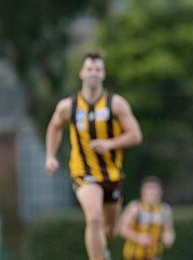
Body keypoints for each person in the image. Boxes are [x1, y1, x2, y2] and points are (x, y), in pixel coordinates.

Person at [45, 52, 143, 260]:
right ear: (81, 73)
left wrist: (110, 143)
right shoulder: (68, 106)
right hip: (83, 172)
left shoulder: (116, 104)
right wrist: (50, 156)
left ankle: (103, 251)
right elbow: (55, 127)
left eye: (98, 69)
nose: (93, 73)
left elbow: (135, 135)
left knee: (109, 229)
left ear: (104, 74)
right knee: (94, 218)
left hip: (112, 174)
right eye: (89, 69)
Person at [119, 176, 175, 260]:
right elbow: (121, 229)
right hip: (134, 256)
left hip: (154, 255)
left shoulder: (165, 210)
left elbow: (169, 231)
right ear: (142, 192)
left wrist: (168, 238)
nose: (152, 195)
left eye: (154, 192)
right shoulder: (135, 207)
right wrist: (138, 237)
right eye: (149, 192)